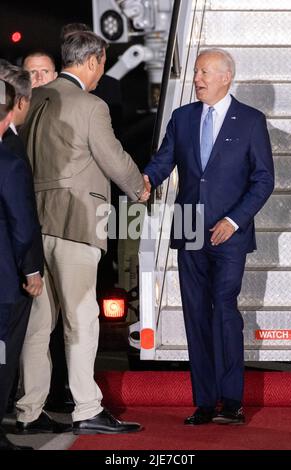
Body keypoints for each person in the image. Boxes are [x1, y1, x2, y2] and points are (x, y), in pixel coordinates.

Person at [16, 30, 149, 435]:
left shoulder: (32, 99)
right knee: (82, 318)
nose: (101, 73)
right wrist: (139, 187)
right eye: (102, 64)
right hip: (76, 222)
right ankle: (87, 408)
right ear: (91, 61)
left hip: (32, 225)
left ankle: (28, 411)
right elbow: (114, 158)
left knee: (40, 326)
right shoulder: (91, 105)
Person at [143, 48, 274, 425]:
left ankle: (232, 399)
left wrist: (234, 220)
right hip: (188, 227)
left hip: (229, 235)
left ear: (225, 77)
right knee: (196, 315)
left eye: (203, 72)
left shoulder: (250, 121)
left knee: (224, 311)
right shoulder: (182, 117)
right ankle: (204, 401)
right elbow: (164, 160)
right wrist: (146, 181)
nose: (197, 78)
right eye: (197, 71)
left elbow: (264, 179)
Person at [0, 79, 40, 450]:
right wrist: (31, 271)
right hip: (5, 283)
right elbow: (21, 223)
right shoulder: (9, 163)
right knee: (1, 355)